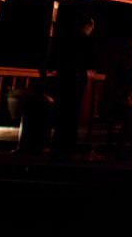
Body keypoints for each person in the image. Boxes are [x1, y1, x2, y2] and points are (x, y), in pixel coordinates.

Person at [49, 14, 94, 161]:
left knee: (62, 111)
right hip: (75, 78)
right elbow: (89, 60)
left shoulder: (66, 40)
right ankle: (67, 146)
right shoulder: (84, 41)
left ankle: (58, 146)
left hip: (63, 77)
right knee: (72, 112)